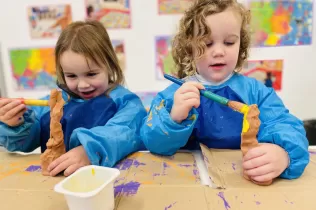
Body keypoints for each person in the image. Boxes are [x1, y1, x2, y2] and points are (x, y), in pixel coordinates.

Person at [141, 0, 309, 183]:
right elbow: (151, 142)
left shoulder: (255, 92)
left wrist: (283, 154)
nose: (219, 51)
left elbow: (286, 126)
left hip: (243, 181)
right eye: (207, 43)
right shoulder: (175, 94)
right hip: (189, 182)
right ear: (189, 48)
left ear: (241, 45)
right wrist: (174, 118)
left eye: (229, 42)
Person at [0, 20, 147, 177]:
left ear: (110, 66)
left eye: (91, 74)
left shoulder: (126, 103)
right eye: (71, 76)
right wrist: (16, 124)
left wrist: (88, 150)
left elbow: (124, 132)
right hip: (55, 185)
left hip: (111, 185)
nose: (82, 85)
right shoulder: (53, 104)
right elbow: (25, 142)